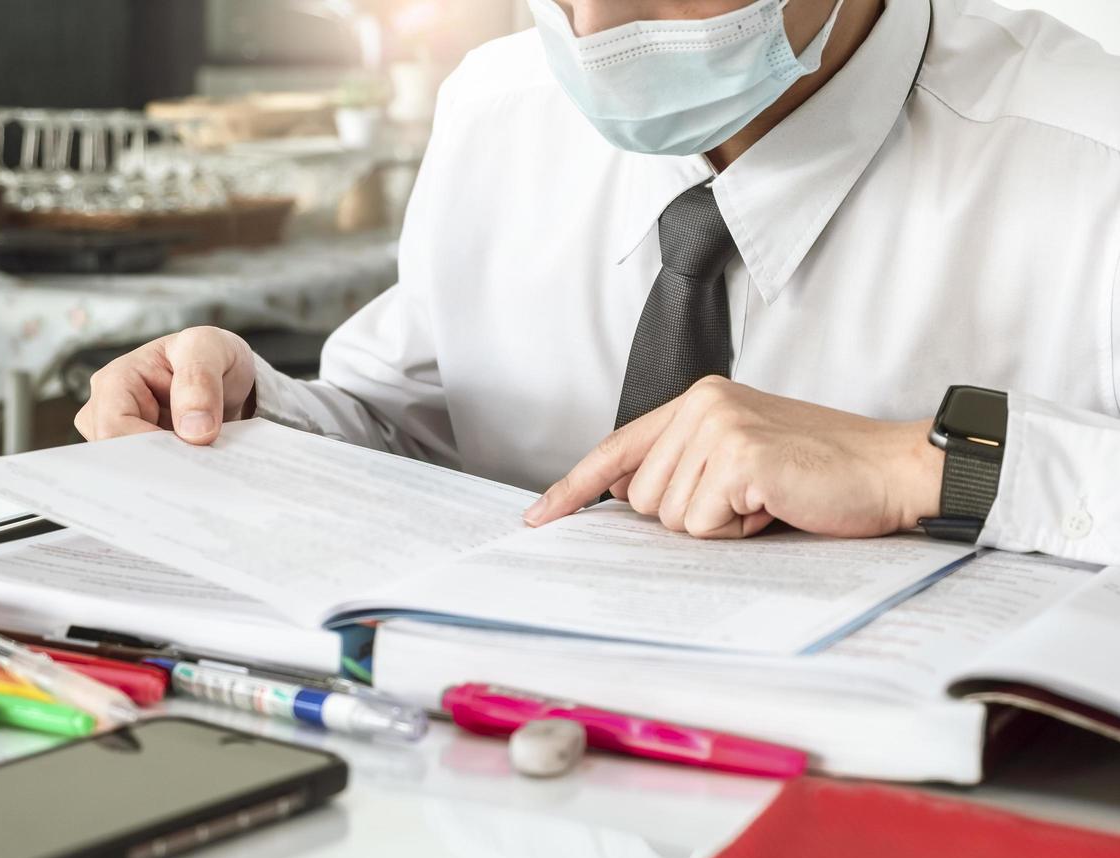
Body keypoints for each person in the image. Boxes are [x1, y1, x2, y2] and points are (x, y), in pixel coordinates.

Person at [75, 0, 1120, 565]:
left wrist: (926, 467)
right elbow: (413, 418)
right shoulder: (496, 107)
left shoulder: (1090, 153)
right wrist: (255, 415)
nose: (594, 31)